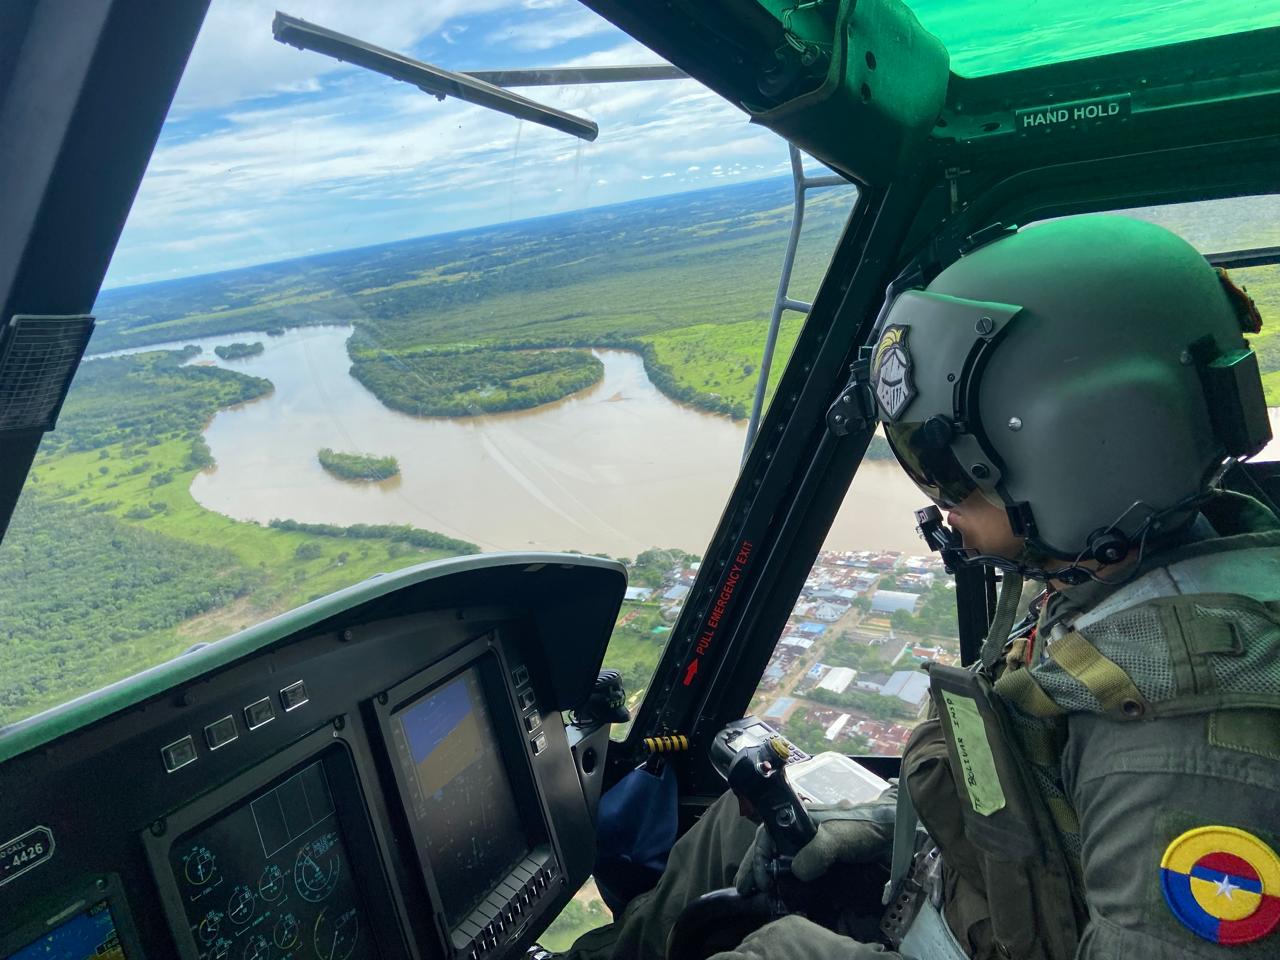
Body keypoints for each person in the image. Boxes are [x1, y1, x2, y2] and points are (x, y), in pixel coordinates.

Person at [567, 214, 1280, 960]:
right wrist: (886, 826)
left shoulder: (1183, 751)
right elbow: (1040, 802)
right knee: (741, 819)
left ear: (1082, 450)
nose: (939, 506)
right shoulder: (1117, 573)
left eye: (954, 475)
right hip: (984, 899)